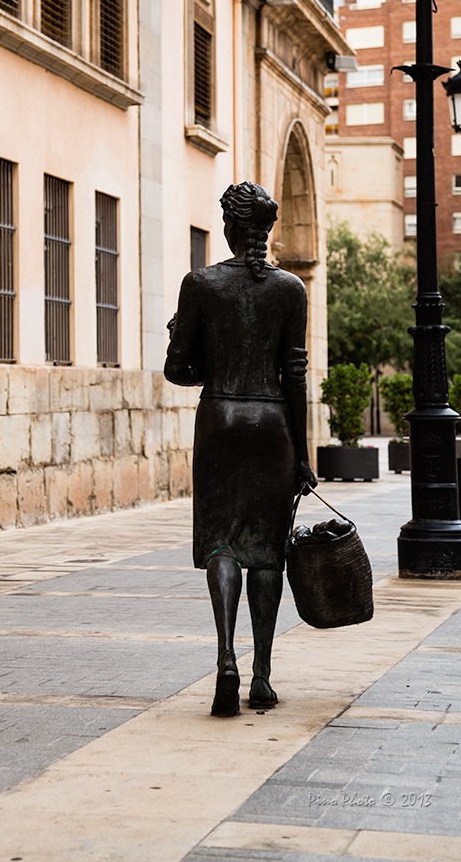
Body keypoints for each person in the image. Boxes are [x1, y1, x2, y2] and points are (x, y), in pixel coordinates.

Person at [164, 181, 316, 717]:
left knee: (222, 544)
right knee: (267, 552)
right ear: (266, 231)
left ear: (229, 227)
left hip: (220, 419)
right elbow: (295, 375)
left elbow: (177, 369)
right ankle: (261, 676)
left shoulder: (200, 284)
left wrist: (196, 348)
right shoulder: (290, 289)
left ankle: (225, 656)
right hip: (273, 423)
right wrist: (303, 454)